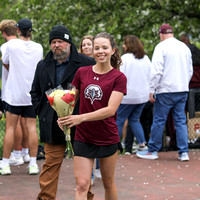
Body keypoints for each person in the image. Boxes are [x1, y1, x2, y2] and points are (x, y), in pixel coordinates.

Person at [58, 32, 127, 200]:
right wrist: (62, 114)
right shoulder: (82, 72)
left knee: (108, 182)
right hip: (83, 136)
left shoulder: (119, 77)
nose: (100, 51)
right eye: (96, 48)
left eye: (105, 47)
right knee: (82, 184)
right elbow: (71, 100)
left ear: (113, 50)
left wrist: (80, 118)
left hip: (107, 136)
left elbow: (110, 110)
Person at [30, 25, 96, 200]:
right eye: (53, 42)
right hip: (51, 124)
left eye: (60, 41)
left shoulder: (86, 63)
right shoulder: (43, 65)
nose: (56, 45)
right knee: (50, 166)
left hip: (80, 124)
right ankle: (45, 198)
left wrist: (86, 114)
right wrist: (41, 111)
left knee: (83, 171)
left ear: (68, 43)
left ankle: (86, 197)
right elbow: (35, 91)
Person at [136, 24, 193, 161]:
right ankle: (183, 152)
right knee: (180, 120)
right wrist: (184, 83)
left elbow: (156, 71)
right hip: (182, 89)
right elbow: (189, 70)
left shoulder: (161, 47)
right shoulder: (184, 47)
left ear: (161, 34)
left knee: (159, 120)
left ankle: (153, 150)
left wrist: (152, 89)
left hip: (165, 90)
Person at [0, 18, 43, 175]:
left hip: (14, 94)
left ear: (18, 30)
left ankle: (5, 164)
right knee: (32, 128)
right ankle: (32, 163)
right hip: (30, 94)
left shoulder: (11, 45)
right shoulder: (39, 47)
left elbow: (6, 63)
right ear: (31, 31)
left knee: (10, 127)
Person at [0, 19, 30, 166]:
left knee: (14, 123)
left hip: (12, 89)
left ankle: (17, 154)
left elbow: (8, 65)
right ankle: (25, 153)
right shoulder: (26, 44)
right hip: (27, 89)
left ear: (4, 32)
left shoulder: (7, 46)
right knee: (26, 122)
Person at [116, 35, 152, 155]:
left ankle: (114, 144)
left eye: (124, 44)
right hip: (142, 96)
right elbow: (150, 76)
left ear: (129, 45)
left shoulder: (125, 58)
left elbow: (120, 76)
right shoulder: (146, 58)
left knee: (119, 120)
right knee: (134, 120)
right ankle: (142, 144)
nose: (123, 46)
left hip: (127, 96)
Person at [79, 35, 102, 183]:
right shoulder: (78, 65)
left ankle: (99, 167)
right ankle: (90, 173)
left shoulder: (101, 62)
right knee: (87, 139)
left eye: (89, 44)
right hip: (83, 106)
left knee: (100, 137)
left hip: (99, 105)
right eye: (84, 45)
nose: (87, 47)